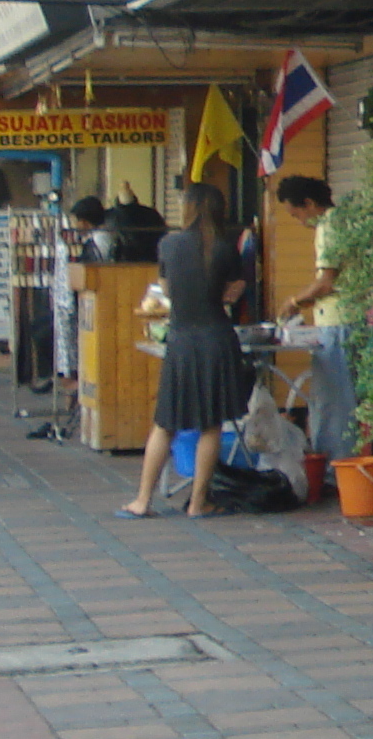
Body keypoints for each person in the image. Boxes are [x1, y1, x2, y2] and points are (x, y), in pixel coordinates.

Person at [118, 182, 252, 520]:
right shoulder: (224, 248)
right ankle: (198, 503)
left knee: (165, 422)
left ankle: (142, 501)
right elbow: (233, 294)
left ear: (188, 209)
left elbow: (166, 289)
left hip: (180, 339)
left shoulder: (169, 244)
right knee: (210, 424)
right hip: (216, 338)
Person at [272, 176, 355, 461]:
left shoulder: (329, 226)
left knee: (334, 402)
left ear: (309, 204)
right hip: (349, 318)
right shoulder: (345, 219)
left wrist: (294, 302)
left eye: (296, 214)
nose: (298, 221)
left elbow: (326, 283)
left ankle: (333, 466)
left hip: (339, 320)